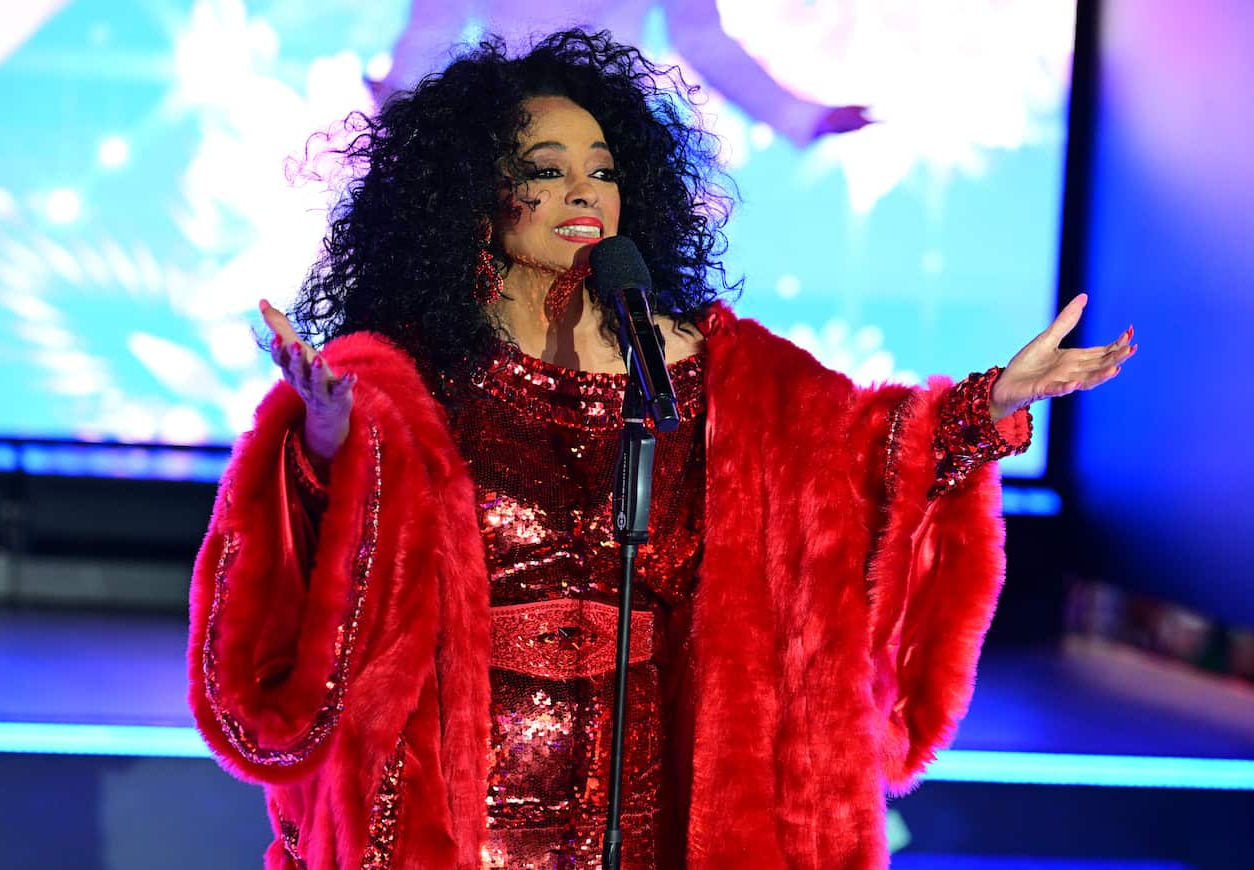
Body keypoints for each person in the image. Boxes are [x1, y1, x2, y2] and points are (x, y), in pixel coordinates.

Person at [187, 29, 1135, 870]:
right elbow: (305, 576)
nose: (582, 191)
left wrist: (994, 401)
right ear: (477, 195)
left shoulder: (711, 370)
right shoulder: (405, 383)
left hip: (655, 806)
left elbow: (859, 463)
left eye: (601, 169)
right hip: (454, 814)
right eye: (545, 168)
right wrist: (324, 440)